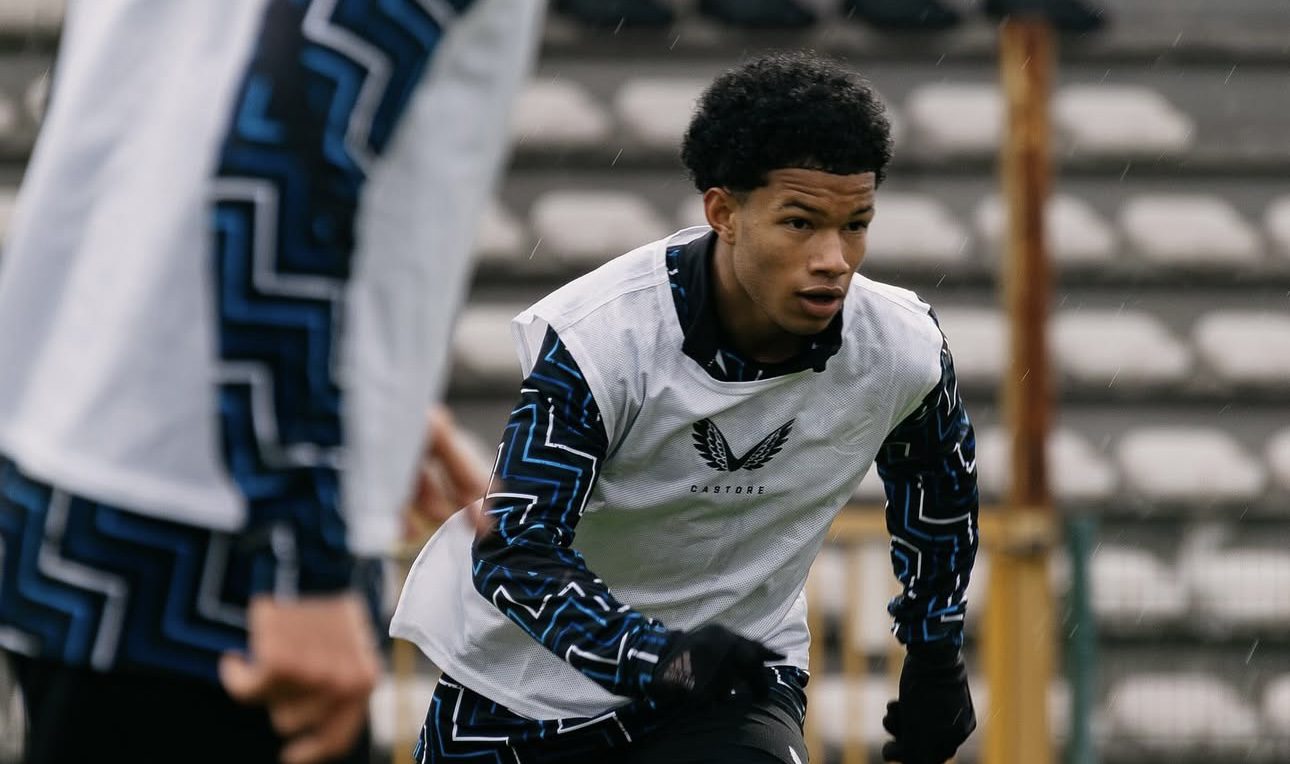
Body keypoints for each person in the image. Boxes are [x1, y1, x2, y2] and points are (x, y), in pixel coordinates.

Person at [392, 51, 979, 764]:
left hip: (728, 691)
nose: (835, 258)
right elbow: (516, 549)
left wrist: (934, 651)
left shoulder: (903, 346)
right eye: (800, 224)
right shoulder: (604, 340)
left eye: (855, 224)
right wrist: (655, 657)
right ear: (723, 212)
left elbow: (939, 490)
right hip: (520, 689)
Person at [0, 0, 543, 762]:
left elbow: (170, 119)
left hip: (72, 486)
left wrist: (367, 395)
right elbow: (283, 155)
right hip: (218, 547)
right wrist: (297, 559)